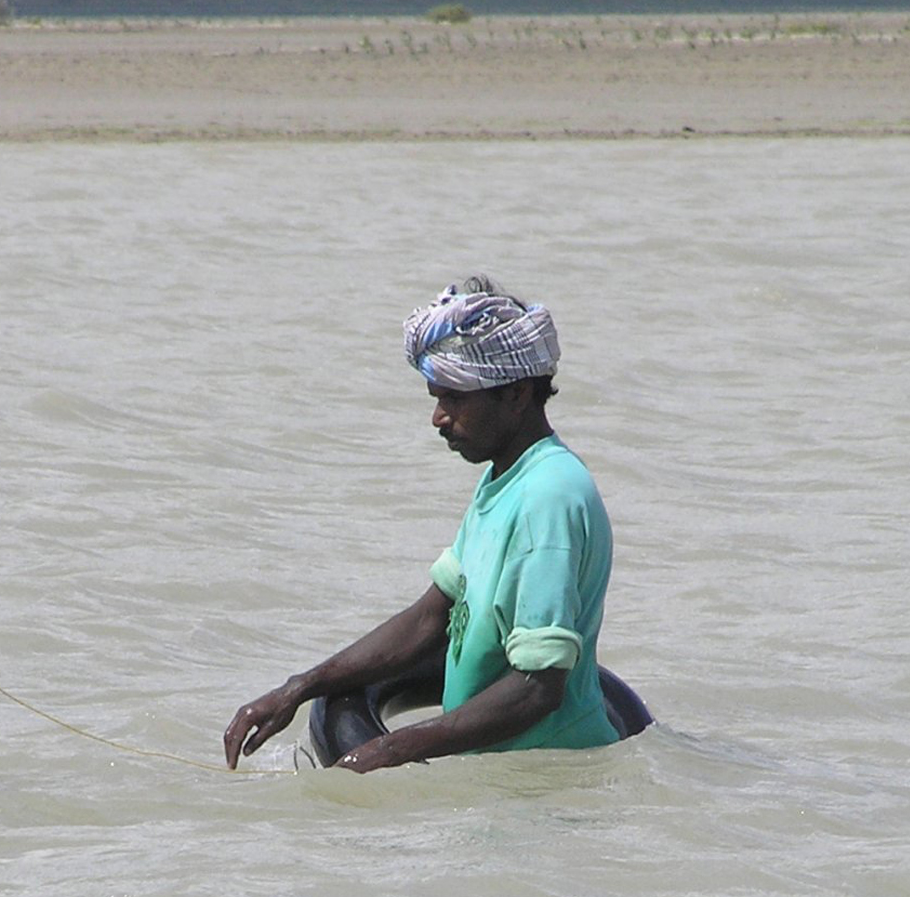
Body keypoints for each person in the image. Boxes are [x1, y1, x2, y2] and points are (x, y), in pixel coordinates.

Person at [224, 275, 620, 773]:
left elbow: (538, 688)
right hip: (499, 773)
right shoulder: (504, 479)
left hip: (548, 780)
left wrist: (392, 749)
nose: (438, 417)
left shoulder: (549, 496)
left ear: (517, 394)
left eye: (454, 398)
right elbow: (429, 619)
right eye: (437, 397)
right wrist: (299, 688)